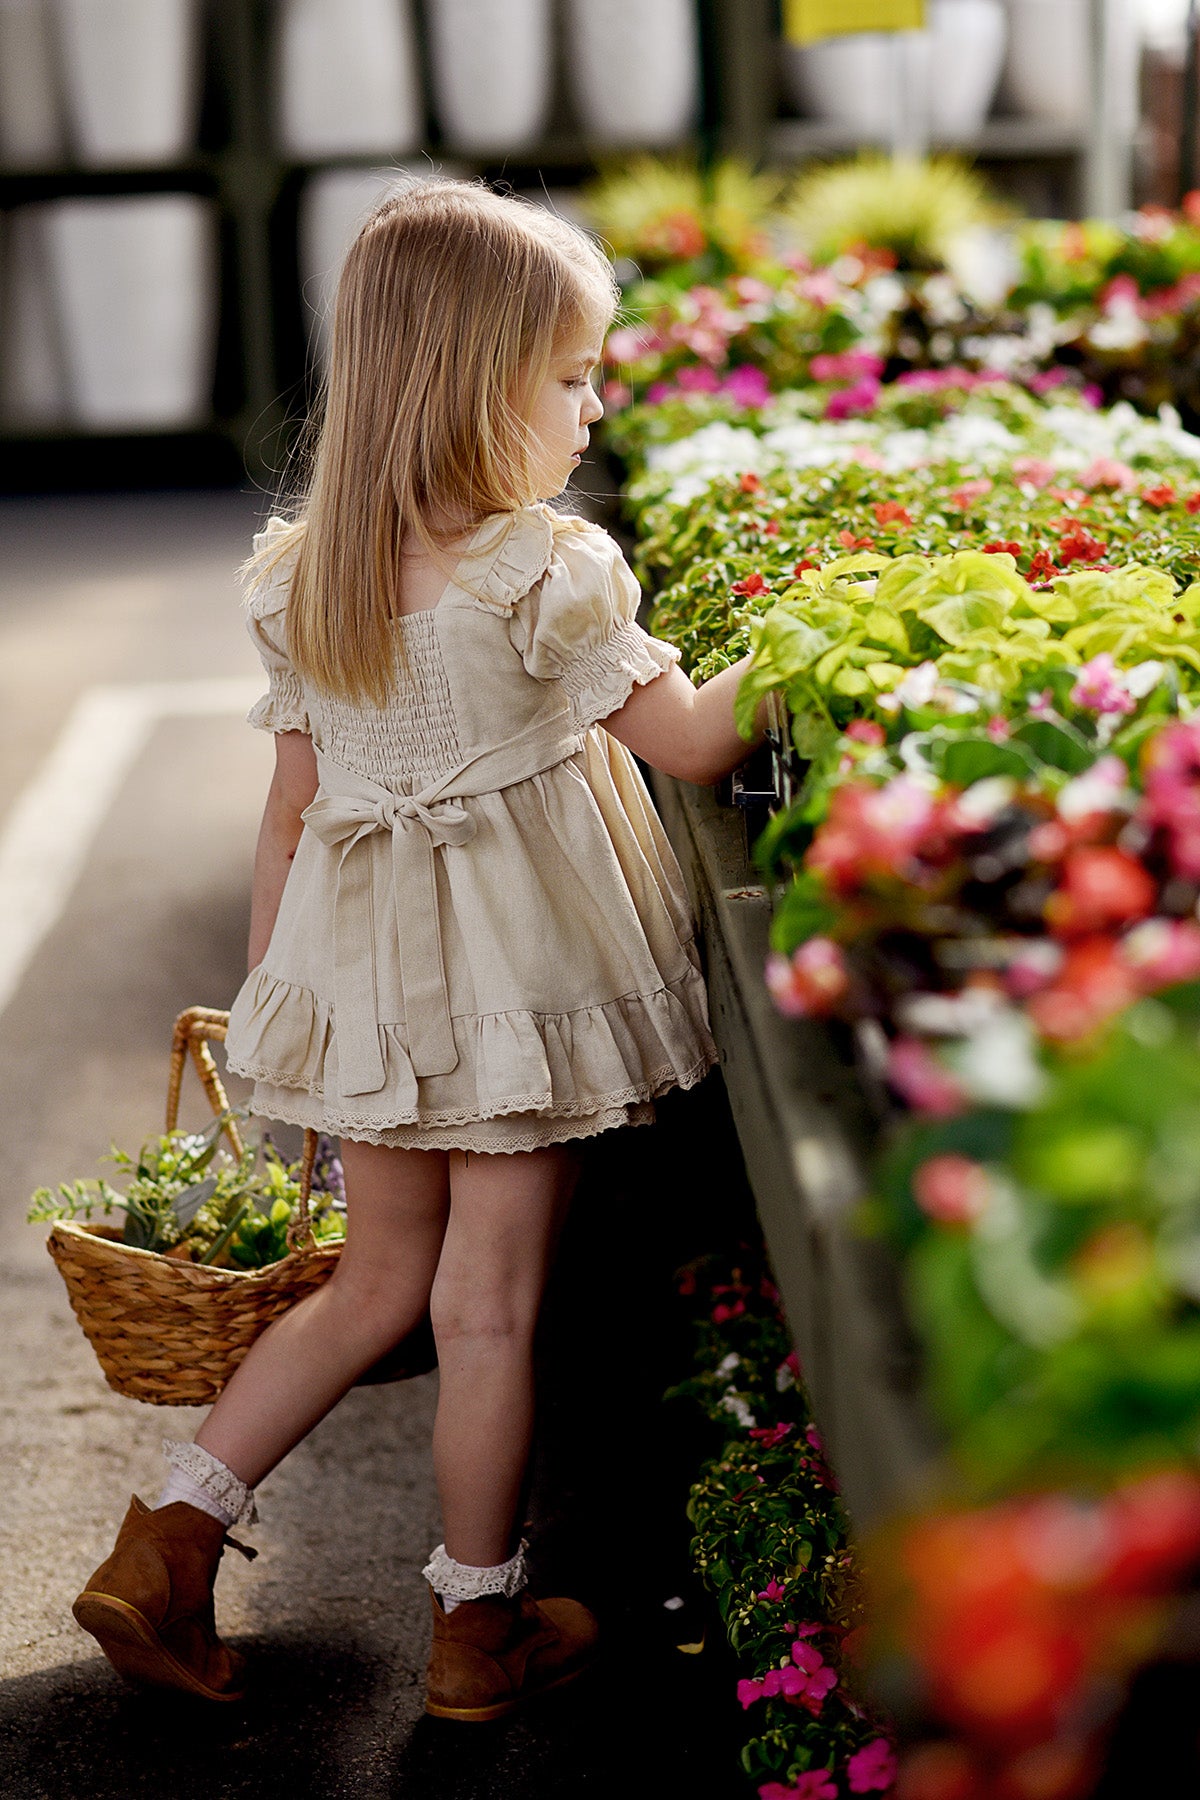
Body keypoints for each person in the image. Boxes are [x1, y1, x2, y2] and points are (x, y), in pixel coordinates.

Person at [71, 177, 766, 1722]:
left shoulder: (300, 575)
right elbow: (699, 742)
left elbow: (287, 818)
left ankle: (169, 1543)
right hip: (523, 989)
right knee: (488, 1309)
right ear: (477, 385)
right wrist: (819, 649)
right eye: (573, 378)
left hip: (367, 987)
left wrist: (276, 1025)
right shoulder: (544, 570)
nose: (594, 409)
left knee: (368, 1283)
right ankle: (474, 1631)